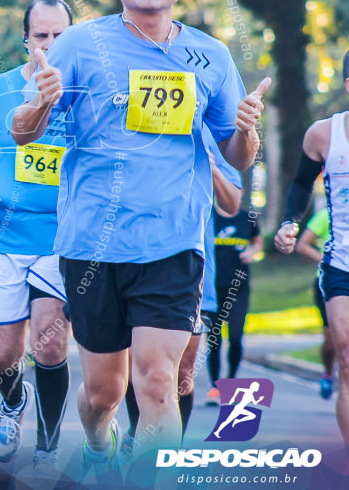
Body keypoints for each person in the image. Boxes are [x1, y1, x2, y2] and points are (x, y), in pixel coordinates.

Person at [12, 0, 267, 473]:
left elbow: (236, 156)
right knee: (104, 392)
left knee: (159, 384)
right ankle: (98, 443)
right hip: (92, 248)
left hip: (173, 245)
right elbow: (24, 134)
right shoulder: (78, 45)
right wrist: (41, 99)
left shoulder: (212, 57)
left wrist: (248, 130)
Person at [0, 0, 73, 471]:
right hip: (2, 238)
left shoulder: (87, 92)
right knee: (1, 355)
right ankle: (11, 403)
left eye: (59, 35)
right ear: (26, 40)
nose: (49, 44)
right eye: (41, 35)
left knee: (48, 345)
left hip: (60, 240)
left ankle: (47, 447)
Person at [121, 133, 243, 458]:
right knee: (143, 367)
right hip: (135, 264)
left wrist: (213, 166)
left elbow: (232, 204)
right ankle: (139, 440)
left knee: (182, 373)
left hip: (192, 271)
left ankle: (166, 452)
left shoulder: (212, 137)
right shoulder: (138, 130)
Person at [275, 49, 349, 447]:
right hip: (342, 265)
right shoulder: (325, 134)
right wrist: (290, 223)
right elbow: (301, 183)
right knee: (347, 361)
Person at [205, 199, 262, 403]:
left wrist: (252, 252)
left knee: (236, 336)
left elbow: (258, 242)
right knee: (214, 339)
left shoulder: (248, 217)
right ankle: (214, 386)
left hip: (239, 288)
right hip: (212, 287)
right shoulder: (208, 216)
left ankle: (230, 381)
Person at [296, 210, 337, 399]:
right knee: (331, 341)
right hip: (329, 282)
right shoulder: (326, 215)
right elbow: (303, 245)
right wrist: (328, 261)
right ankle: (328, 373)